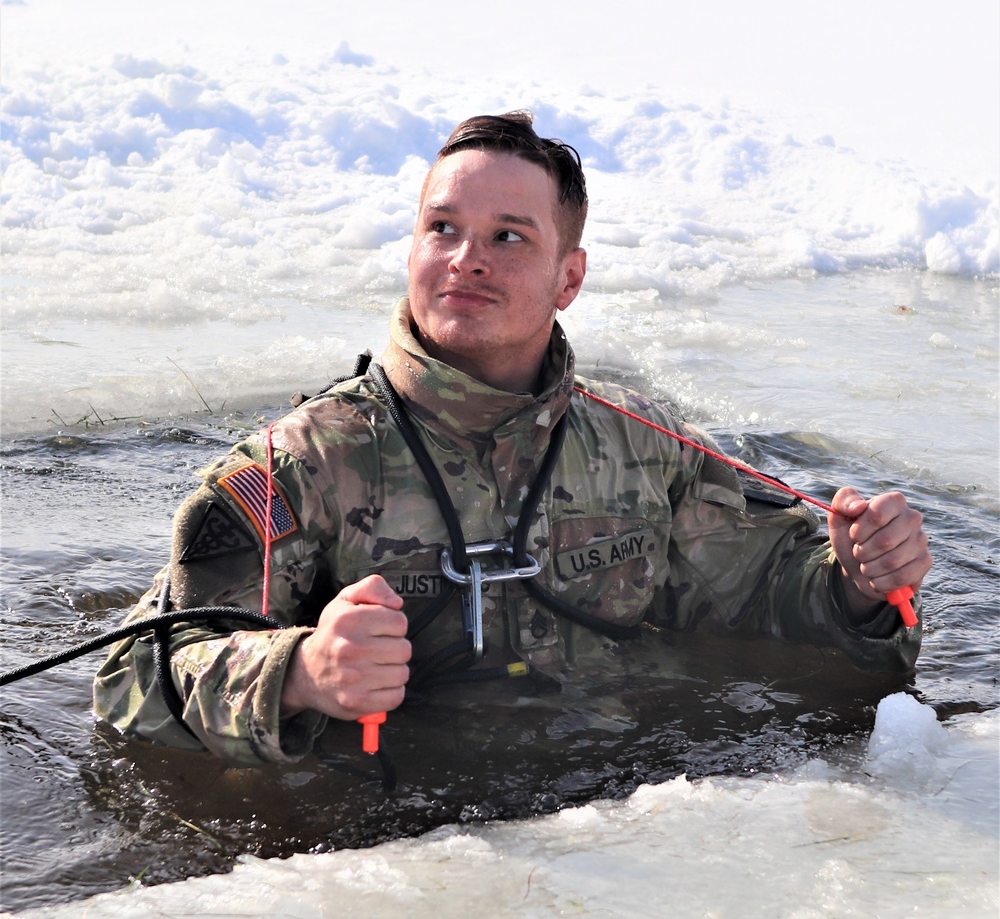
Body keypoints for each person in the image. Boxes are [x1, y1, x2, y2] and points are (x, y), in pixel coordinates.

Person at [94, 112, 932, 765]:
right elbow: (132, 675)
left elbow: (760, 594)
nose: (466, 259)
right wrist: (304, 673)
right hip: (388, 843)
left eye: (508, 236)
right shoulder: (297, 465)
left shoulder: (643, 445)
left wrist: (857, 582)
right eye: (442, 229)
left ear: (569, 276)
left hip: (615, 812)